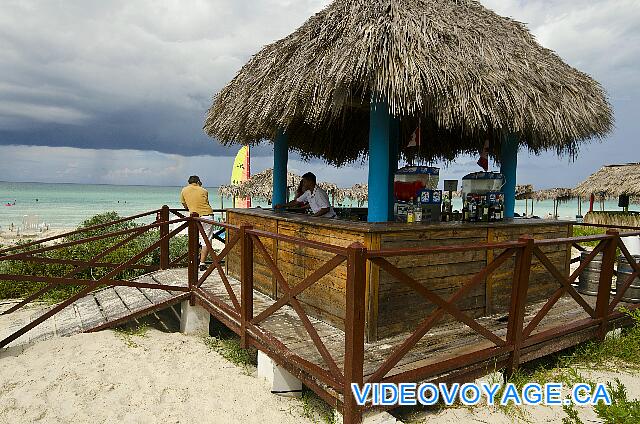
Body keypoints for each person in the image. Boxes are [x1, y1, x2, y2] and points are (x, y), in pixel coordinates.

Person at [180, 175, 215, 271]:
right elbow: (206, 203)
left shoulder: (184, 190)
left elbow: (184, 205)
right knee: (206, 240)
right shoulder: (204, 190)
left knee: (195, 238)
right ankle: (202, 263)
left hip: (194, 217)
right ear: (198, 182)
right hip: (207, 215)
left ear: (189, 182)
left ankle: (193, 261)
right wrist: (200, 186)